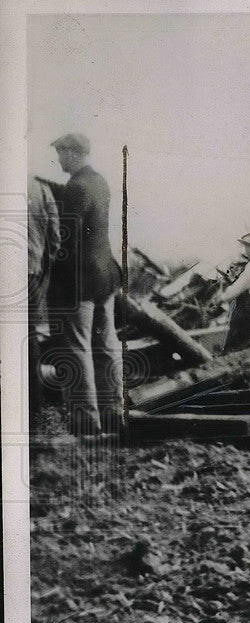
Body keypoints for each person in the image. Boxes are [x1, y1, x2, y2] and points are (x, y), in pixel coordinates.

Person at [47, 133, 123, 436]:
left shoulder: (75, 187)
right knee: (105, 347)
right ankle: (114, 414)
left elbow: (67, 240)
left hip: (79, 281)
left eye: (61, 153)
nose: (59, 159)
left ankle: (86, 423)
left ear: (73, 153)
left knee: (77, 349)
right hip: (105, 276)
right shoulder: (99, 181)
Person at [27, 175, 60, 433]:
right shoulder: (40, 187)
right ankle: (34, 404)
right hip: (32, 271)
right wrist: (42, 267)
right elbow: (55, 236)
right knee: (28, 336)